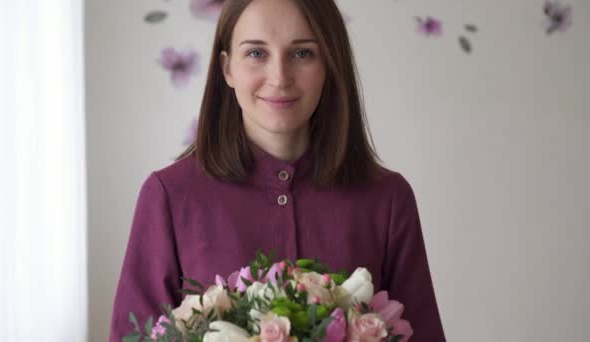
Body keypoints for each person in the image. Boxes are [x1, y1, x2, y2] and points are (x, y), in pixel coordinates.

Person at [109, 0, 446, 341]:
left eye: (302, 54)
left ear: (329, 64)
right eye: (256, 53)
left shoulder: (388, 199)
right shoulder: (169, 196)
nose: (280, 77)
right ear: (227, 68)